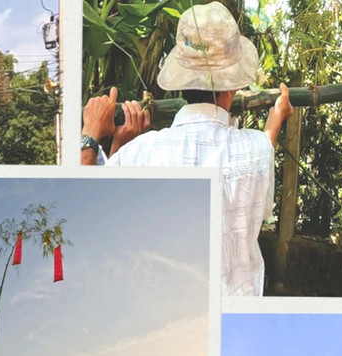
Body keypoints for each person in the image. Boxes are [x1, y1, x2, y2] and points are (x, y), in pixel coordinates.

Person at [80, 2, 294, 297]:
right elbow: (262, 150)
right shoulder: (256, 151)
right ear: (231, 87)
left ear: (181, 81)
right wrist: (277, 117)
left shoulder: (138, 154)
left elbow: (90, 224)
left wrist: (92, 135)